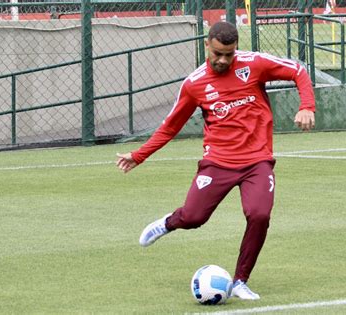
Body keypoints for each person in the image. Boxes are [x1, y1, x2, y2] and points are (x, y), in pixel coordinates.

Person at [116, 21, 315, 300]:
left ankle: (240, 281)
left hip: (257, 161)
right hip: (217, 162)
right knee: (194, 217)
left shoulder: (254, 64)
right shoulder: (194, 84)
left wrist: (307, 106)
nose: (223, 60)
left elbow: (298, 71)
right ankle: (168, 223)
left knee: (259, 215)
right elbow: (171, 126)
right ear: (207, 45)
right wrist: (139, 155)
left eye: (229, 54)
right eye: (218, 53)